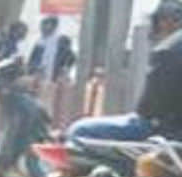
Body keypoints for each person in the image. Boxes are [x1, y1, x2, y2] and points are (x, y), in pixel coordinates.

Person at [67, 1, 182, 142]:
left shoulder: (168, 49)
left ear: (167, 22)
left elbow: (148, 110)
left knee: (79, 131)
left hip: (166, 131)